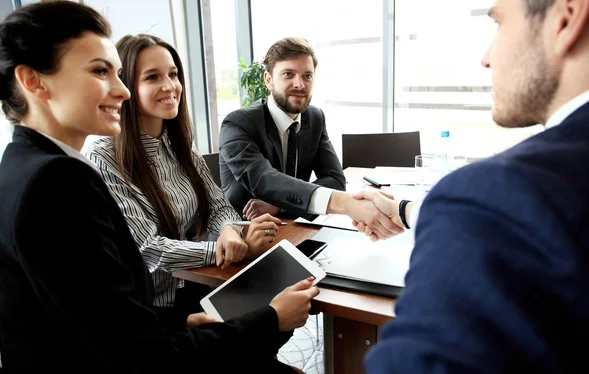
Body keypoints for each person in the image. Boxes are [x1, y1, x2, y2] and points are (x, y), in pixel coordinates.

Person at [0, 2, 318, 372]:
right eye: (101, 71)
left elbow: (102, 320)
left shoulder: (25, 164)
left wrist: (179, 323)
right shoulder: (57, 181)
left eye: (118, 74)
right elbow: (134, 351)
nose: (121, 91)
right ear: (33, 81)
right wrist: (269, 319)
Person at [365, 0, 589, 372]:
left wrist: (451, 206)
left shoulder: (495, 194)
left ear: (566, 17)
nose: (486, 58)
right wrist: (407, 209)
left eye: (499, 23)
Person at [84, 34, 282, 315]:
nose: (169, 86)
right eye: (152, 77)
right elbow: (149, 249)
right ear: (125, 86)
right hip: (155, 308)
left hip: (197, 281)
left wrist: (229, 231)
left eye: (173, 74)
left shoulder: (179, 144)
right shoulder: (102, 158)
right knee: (266, 317)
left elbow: (218, 204)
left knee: (283, 296)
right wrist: (226, 250)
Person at [219, 37, 404, 240]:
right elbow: (264, 181)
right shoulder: (238, 123)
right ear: (268, 79)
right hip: (240, 241)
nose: (300, 84)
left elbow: (335, 179)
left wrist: (279, 205)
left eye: (307, 76)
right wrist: (349, 204)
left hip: (294, 232)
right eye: (288, 74)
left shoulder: (314, 118)